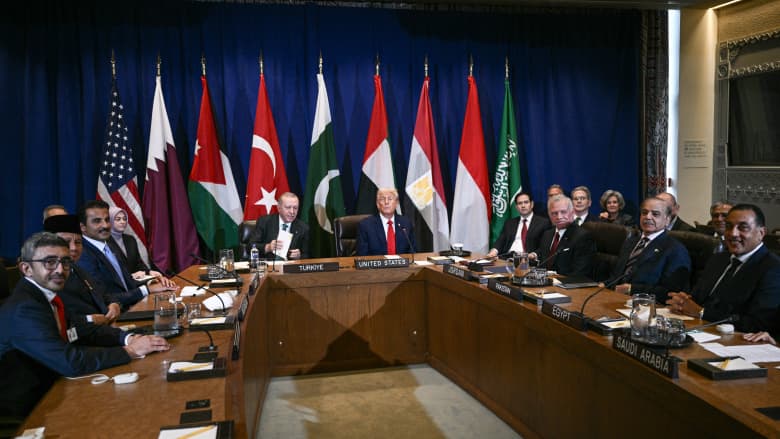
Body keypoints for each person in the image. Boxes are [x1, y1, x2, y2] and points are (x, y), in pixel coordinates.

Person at [0, 232, 170, 420]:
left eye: (65, 262)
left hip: (58, 387)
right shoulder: (24, 309)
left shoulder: (45, 295)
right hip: (29, 408)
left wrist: (128, 338)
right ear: (26, 268)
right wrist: (130, 351)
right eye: (50, 262)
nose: (60, 270)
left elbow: (79, 330)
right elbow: (70, 362)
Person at [666, 204, 780, 334]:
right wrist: (683, 301)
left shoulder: (773, 268)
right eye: (729, 227)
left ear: (761, 233)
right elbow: (698, 298)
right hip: (696, 328)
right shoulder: (718, 258)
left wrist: (702, 312)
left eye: (743, 228)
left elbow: (758, 323)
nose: (733, 234)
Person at [76, 200, 177, 309]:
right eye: (97, 221)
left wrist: (151, 282)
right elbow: (103, 298)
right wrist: (146, 290)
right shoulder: (83, 254)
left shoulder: (110, 245)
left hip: (134, 307)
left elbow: (126, 282)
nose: (105, 225)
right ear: (83, 227)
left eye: (107, 220)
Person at [606, 197, 691, 303]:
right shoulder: (631, 241)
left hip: (647, 305)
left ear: (667, 220)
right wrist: (604, 285)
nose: (648, 217)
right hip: (615, 298)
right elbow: (617, 275)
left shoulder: (675, 249)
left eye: (655, 214)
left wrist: (632, 289)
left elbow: (672, 293)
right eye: (644, 213)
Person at [44, 214, 121, 326]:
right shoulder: (48, 276)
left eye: (78, 242)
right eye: (66, 242)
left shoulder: (77, 268)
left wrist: (114, 304)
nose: (74, 248)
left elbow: (101, 293)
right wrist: (90, 319)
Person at [529, 195, 596, 277]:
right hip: (544, 280)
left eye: (563, 212)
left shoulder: (583, 237)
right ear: (549, 215)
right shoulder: (547, 234)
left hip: (567, 283)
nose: (559, 217)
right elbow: (544, 258)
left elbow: (580, 273)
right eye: (554, 213)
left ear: (572, 212)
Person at [486, 191, 551, 258]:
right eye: (520, 203)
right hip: (507, 258)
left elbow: (545, 246)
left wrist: (533, 255)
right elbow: (501, 240)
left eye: (526, 202)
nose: (523, 206)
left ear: (532, 204)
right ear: (516, 207)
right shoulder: (509, 223)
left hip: (528, 259)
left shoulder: (543, 223)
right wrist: (494, 251)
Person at [107, 206, 165, 280]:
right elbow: (108, 273)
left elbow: (138, 263)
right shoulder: (104, 242)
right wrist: (131, 276)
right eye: (118, 219)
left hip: (137, 282)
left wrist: (149, 272)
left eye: (124, 219)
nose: (122, 222)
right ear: (110, 221)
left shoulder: (130, 239)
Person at [248, 192, 310, 260]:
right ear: (279, 208)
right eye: (288, 207)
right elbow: (250, 246)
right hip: (268, 264)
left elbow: (307, 255)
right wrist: (268, 247)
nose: (292, 212)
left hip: (290, 265)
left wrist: (299, 256)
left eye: (295, 208)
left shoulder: (303, 228)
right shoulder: (264, 222)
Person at [357, 188, 415, 256]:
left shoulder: (406, 223)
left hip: (402, 262)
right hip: (376, 263)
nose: (386, 202)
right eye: (382, 199)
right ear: (377, 204)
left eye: (390, 199)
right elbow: (362, 256)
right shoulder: (365, 226)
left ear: (396, 203)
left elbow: (413, 251)